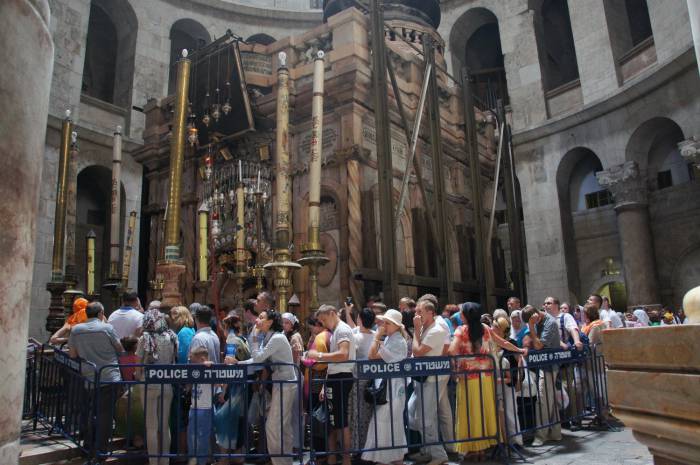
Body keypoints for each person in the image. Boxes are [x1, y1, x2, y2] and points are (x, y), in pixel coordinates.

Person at [449, 302, 526, 461]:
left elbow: (451, 351)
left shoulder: (461, 331)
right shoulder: (485, 329)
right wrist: (519, 350)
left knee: (470, 413)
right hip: (486, 378)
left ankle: (473, 449)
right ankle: (482, 449)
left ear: (466, 315)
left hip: (468, 378)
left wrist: (455, 370)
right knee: (483, 412)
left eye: (462, 312)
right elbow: (503, 343)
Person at [229, 310, 298, 465]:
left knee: (273, 426)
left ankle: (280, 461)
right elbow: (257, 359)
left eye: (261, 317)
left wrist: (254, 336)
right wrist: (238, 363)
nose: (257, 320)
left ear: (270, 322)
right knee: (283, 426)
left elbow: (258, 357)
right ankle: (284, 461)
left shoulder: (277, 338)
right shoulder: (270, 337)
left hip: (285, 384)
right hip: (281, 383)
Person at [68, 302, 124, 457]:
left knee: (90, 411)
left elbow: (72, 354)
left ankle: (88, 445)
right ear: (101, 313)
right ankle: (100, 449)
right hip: (108, 376)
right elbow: (119, 348)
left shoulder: (76, 330)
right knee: (104, 414)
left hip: (88, 376)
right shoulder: (107, 328)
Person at [307, 305, 356, 465]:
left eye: (324, 319)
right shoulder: (337, 331)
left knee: (341, 422)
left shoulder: (342, 330)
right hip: (334, 378)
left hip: (341, 377)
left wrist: (318, 355)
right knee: (333, 421)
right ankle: (333, 458)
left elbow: (343, 354)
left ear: (332, 313)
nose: (323, 323)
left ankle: (346, 460)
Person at [361, 309, 408, 465]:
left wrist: (376, 337)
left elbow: (371, 355)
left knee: (388, 421)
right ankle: (391, 458)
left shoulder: (397, 341)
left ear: (396, 325)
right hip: (389, 388)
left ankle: (390, 459)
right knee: (386, 421)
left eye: (388, 323)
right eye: (384, 322)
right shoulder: (391, 339)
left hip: (394, 389)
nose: (384, 325)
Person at [408, 300, 449, 465]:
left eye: (420, 312)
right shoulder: (426, 328)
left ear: (431, 313)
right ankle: (427, 450)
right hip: (420, 378)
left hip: (432, 380)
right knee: (412, 415)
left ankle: (439, 455)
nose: (417, 316)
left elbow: (417, 352)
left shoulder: (437, 330)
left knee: (427, 418)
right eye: (416, 312)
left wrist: (417, 330)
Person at [135, 308, 178, 465]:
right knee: (164, 425)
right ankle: (165, 460)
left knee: (151, 426)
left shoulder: (145, 338)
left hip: (149, 384)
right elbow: (174, 359)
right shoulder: (171, 337)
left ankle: (154, 462)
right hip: (166, 383)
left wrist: (138, 378)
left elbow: (138, 366)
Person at [521, 305, 562, 446]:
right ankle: (555, 433)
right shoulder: (540, 321)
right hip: (545, 365)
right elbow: (529, 341)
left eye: (532, 321)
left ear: (536, 315)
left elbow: (538, 346)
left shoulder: (549, 323)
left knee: (542, 400)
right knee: (549, 400)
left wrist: (531, 326)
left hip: (550, 366)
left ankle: (541, 436)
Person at [216, 312, 250, 460]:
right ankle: (238, 455)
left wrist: (223, 390)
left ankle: (225, 457)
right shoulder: (243, 339)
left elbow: (229, 365)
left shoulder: (231, 340)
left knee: (223, 419)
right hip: (244, 383)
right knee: (239, 420)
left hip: (235, 386)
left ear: (226, 327)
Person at [349, 308, 376, 452]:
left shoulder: (356, 337)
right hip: (371, 379)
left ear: (360, 319)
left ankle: (358, 446)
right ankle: (369, 445)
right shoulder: (375, 335)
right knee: (369, 413)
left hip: (358, 379)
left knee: (357, 413)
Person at [188, 346, 215, 465]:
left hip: (205, 408)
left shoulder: (209, 368)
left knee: (203, 436)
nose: (191, 363)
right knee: (191, 434)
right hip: (194, 407)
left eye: (193, 360)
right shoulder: (195, 370)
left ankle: (201, 461)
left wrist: (207, 364)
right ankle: (193, 458)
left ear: (202, 359)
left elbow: (215, 369)